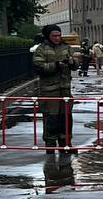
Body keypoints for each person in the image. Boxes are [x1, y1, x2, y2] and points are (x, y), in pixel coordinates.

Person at [32, 24, 80, 154]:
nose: (57, 38)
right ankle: (51, 145)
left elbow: (76, 65)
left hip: (65, 89)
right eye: (54, 36)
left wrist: (71, 62)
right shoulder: (41, 49)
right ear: (48, 36)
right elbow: (39, 67)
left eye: (59, 35)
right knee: (51, 119)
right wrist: (56, 65)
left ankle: (66, 143)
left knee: (66, 118)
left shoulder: (66, 48)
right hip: (49, 90)